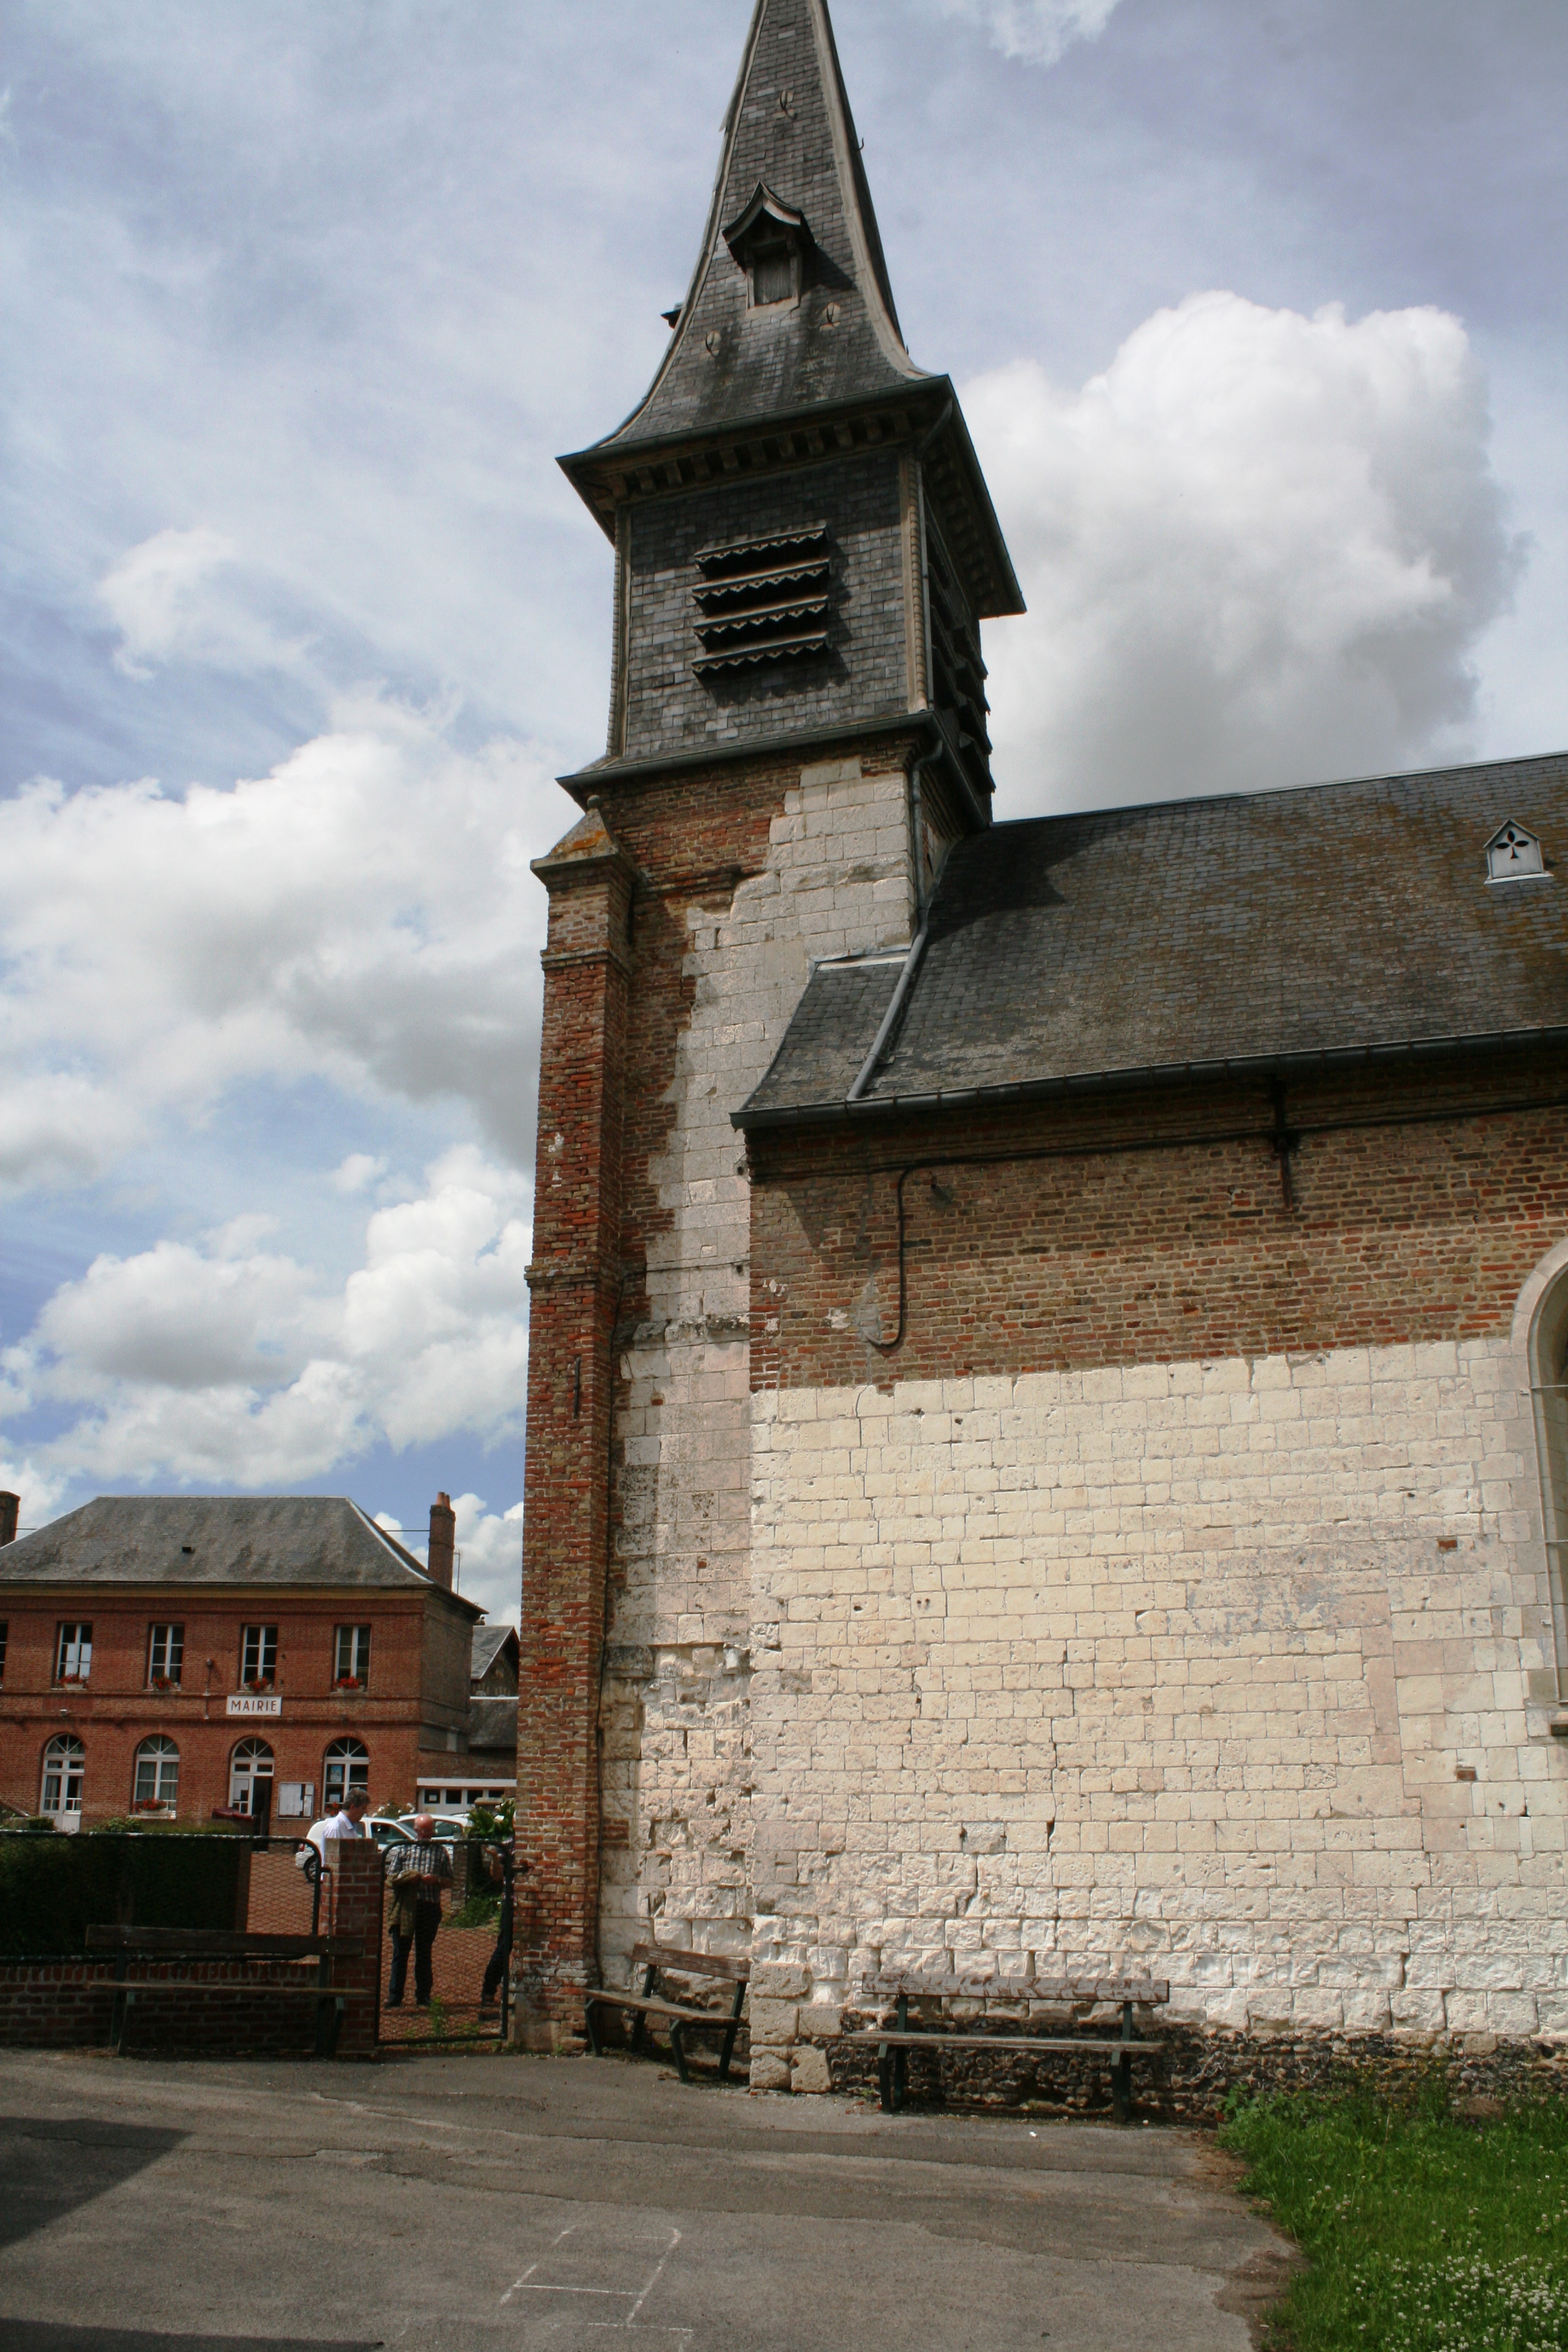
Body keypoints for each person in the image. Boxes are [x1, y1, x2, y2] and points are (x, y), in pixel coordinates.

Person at [385, 1813, 452, 2008]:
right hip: (406, 1907)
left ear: (433, 1831)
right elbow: (390, 1879)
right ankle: (395, 1996)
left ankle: (423, 1996)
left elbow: (450, 1880)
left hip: (429, 1907)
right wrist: (407, 1878)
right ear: (415, 1830)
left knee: (424, 1953)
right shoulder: (404, 1849)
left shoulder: (440, 1851)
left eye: (428, 1830)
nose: (425, 1834)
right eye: (422, 1830)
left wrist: (437, 1880)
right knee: (400, 1952)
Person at [293, 1788, 370, 1870]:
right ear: (353, 1807)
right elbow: (332, 1864)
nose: (365, 1812)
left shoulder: (351, 1828)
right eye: (363, 1808)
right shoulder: (335, 1828)